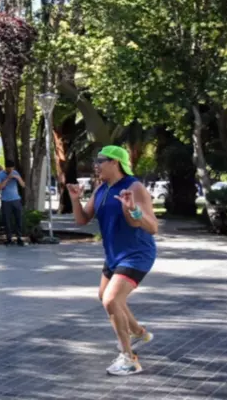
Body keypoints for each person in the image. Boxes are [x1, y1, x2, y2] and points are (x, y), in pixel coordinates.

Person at [67, 145, 158, 376]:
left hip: (137, 254)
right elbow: (82, 220)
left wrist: (133, 210)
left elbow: (152, 227)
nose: (96, 165)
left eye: (101, 161)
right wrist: (75, 200)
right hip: (114, 255)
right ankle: (138, 332)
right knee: (104, 296)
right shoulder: (101, 189)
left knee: (111, 300)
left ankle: (129, 359)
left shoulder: (134, 187)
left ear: (115, 162)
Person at [0, 160, 26, 246]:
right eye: (9, 169)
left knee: (18, 219)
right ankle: (9, 239)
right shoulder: (0, 174)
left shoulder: (15, 172)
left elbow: (23, 185)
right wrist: (8, 178)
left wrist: (18, 178)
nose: (11, 170)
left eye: (12, 168)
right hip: (6, 201)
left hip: (16, 200)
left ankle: (19, 238)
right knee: (7, 221)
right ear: (6, 168)